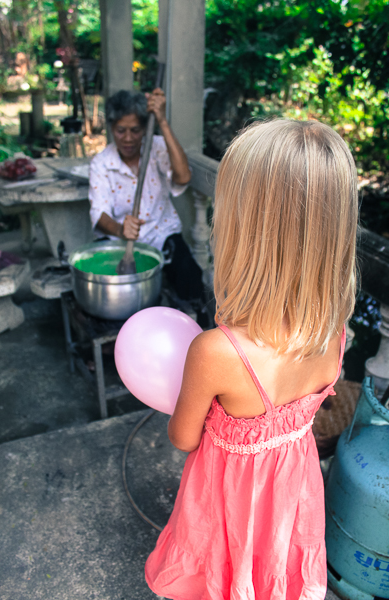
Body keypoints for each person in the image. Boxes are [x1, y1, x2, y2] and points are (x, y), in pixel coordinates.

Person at [145, 119, 358, 599]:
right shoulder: (335, 332)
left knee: (227, 576)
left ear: (244, 232)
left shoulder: (215, 351)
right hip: (292, 499)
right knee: (273, 576)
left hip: (226, 509)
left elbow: (182, 437)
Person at [88, 88, 209, 326]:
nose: (128, 138)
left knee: (190, 275)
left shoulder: (157, 148)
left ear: (145, 128)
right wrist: (121, 230)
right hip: (120, 240)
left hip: (161, 233)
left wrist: (162, 122)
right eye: (121, 131)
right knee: (104, 286)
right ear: (112, 129)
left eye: (135, 130)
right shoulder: (102, 163)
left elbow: (183, 177)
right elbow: (98, 214)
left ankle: (200, 336)